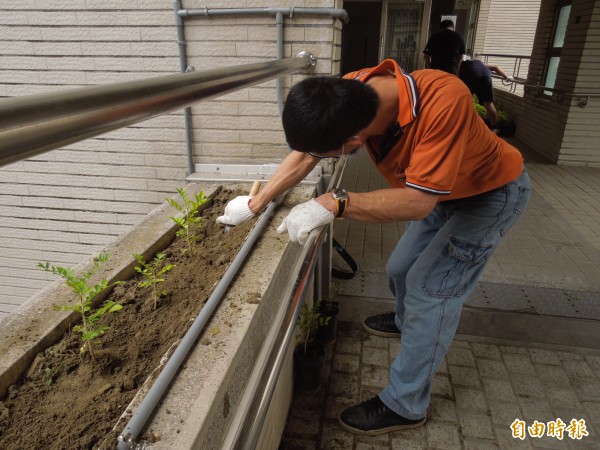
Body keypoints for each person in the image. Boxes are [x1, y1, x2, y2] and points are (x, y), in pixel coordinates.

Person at [217, 59, 531, 436]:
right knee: (399, 269)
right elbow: (305, 154)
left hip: (489, 196)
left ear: (353, 142)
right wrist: (256, 203)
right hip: (442, 192)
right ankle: (406, 323)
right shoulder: (351, 91)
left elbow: (416, 203)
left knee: (429, 291)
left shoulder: (445, 99)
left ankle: (407, 404)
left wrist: (334, 203)